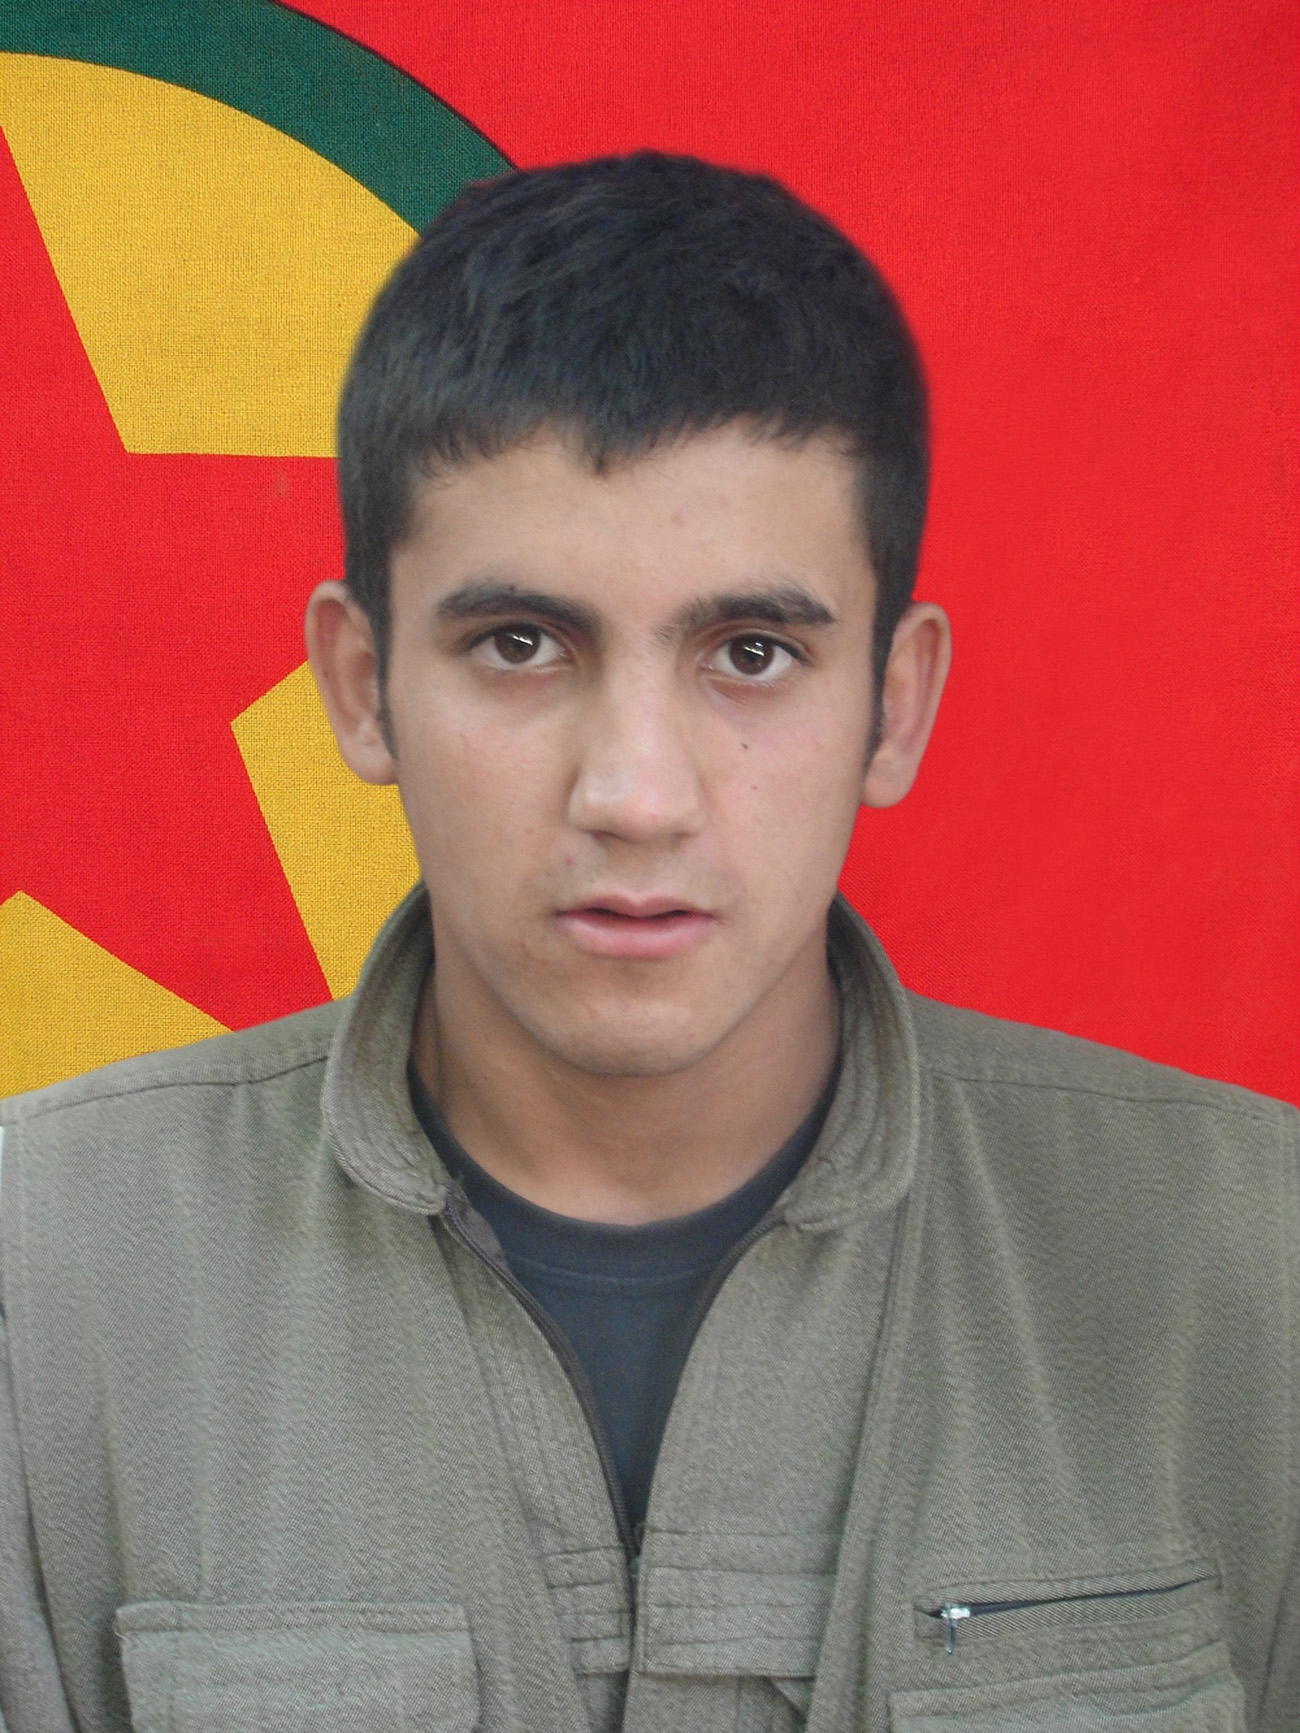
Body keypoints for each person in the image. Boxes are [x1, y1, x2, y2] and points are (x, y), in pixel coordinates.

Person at [0, 152, 1294, 1733]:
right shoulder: (38, 1294)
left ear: (894, 706)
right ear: (360, 684)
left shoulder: (1252, 1270)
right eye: (520, 643)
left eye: (750, 653)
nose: (635, 793)